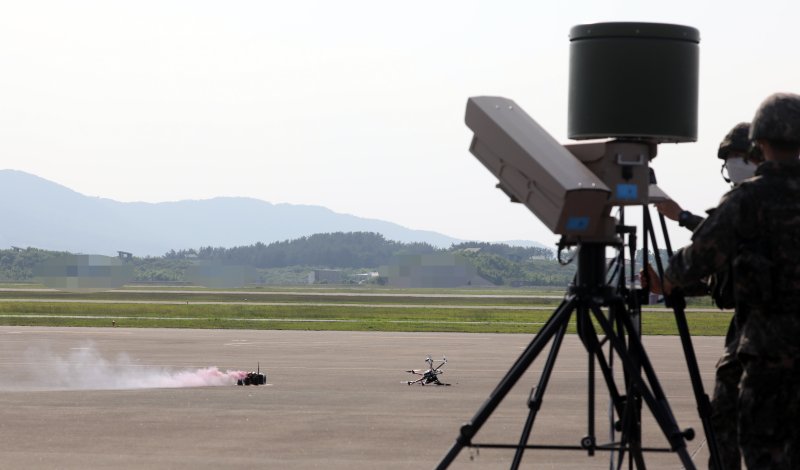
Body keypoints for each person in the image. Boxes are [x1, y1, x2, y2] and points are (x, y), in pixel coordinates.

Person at [662, 92, 800, 469]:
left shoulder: (749, 199)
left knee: (763, 453)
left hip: (768, 357)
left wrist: (670, 280)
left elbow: (699, 258)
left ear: (761, 141)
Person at [643, 122, 761, 470]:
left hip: (758, 338)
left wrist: (680, 219)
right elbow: (727, 274)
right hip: (753, 331)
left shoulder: (752, 201)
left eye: (739, 156)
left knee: (731, 423)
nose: (734, 164)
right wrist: (670, 287)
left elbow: (713, 243)